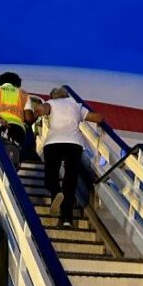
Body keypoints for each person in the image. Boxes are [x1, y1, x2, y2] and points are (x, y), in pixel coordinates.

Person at [34, 88, 102, 226]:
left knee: (51, 176)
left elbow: (42, 108)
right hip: (74, 144)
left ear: (53, 96)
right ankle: (66, 219)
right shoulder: (76, 106)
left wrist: (38, 111)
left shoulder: (52, 103)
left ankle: (56, 191)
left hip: (53, 143)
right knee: (70, 181)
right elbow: (97, 118)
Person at [0, 71, 34, 166]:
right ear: (16, 84)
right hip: (17, 131)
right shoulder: (24, 95)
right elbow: (29, 118)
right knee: (11, 158)